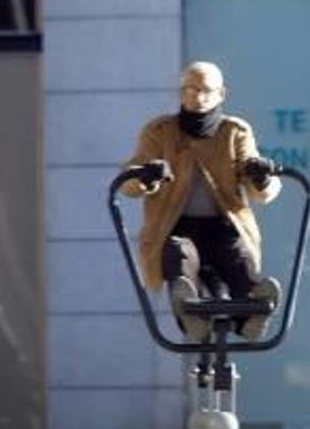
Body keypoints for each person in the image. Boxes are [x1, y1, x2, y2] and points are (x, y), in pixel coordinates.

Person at [120, 61, 281, 342]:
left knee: (238, 259)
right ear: (182, 93)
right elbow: (129, 183)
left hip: (222, 226)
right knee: (178, 256)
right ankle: (190, 314)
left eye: (207, 90)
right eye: (191, 89)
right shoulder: (160, 132)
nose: (199, 97)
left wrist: (261, 177)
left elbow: (260, 186)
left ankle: (253, 313)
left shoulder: (234, 132)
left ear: (221, 94)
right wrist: (147, 176)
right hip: (178, 228)